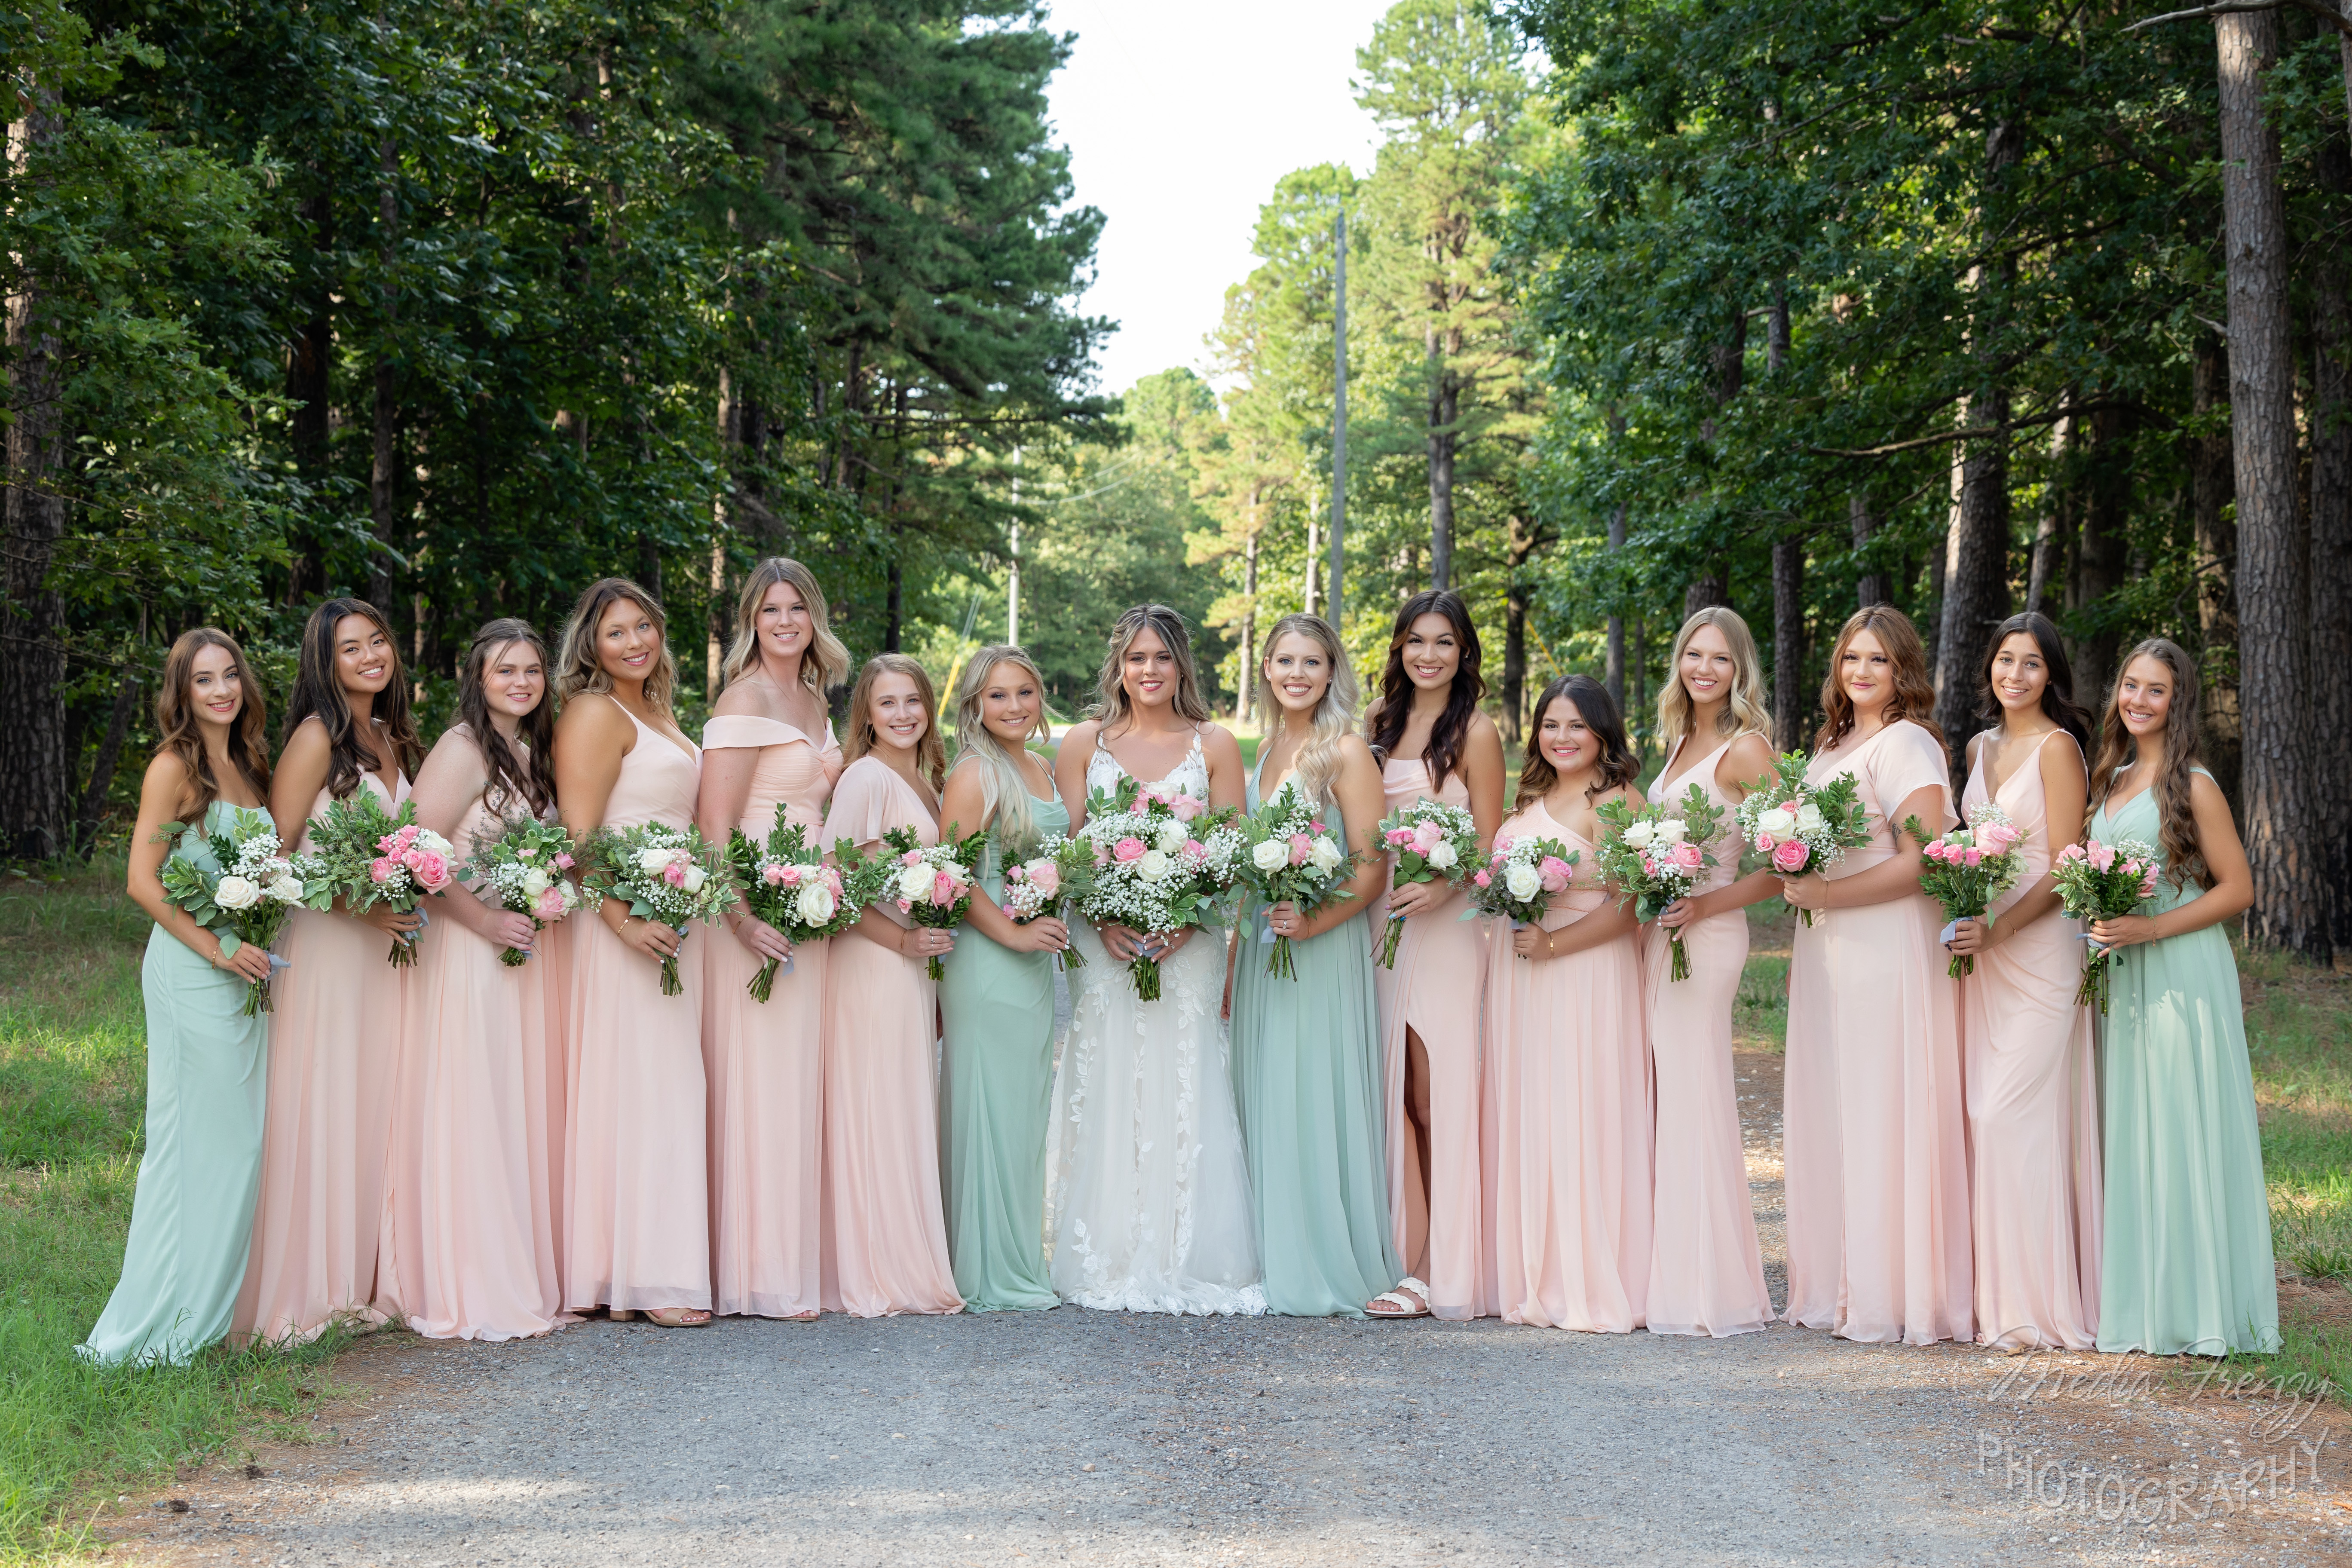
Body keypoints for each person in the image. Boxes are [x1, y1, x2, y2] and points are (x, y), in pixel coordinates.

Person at [1047, 605, 1265, 1315]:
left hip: (1191, 941)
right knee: (1110, 1073)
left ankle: (1190, 1250)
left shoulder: (1215, 745)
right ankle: (1106, 1248)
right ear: (1119, 664)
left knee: (1185, 1070)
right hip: (1103, 941)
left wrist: (1189, 923)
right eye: (1137, 657)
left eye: (1163, 658)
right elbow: (1069, 851)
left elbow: (1230, 856)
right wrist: (1105, 917)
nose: (1149, 670)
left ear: (1182, 666)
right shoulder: (1084, 743)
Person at [82, 631, 278, 1365]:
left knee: (240, 1146)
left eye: (231, 676)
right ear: (182, 692)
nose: (222, 690)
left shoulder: (251, 764)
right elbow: (143, 880)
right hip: (192, 971)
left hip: (245, 975)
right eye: (205, 680)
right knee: (191, 1147)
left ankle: (206, 1314)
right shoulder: (174, 768)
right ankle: (155, 1330)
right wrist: (219, 947)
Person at [235, 599, 425, 1344]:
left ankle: (362, 1278)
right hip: (328, 946)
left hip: (386, 957)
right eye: (352, 648)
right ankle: (305, 1291)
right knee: (325, 1105)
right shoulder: (318, 738)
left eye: (378, 641)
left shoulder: (390, 734)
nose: (372, 656)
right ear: (326, 662)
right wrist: (361, 908)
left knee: (374, 1108)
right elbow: (275, 859)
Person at [1779, 606, 1969, 1346]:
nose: (1861, 671)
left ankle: (1890, 1292)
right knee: (1836, 1107)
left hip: (1884, 944)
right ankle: (1838, 1283)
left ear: (1904, 672)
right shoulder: (1833, 743)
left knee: (1878, 1107)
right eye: (1851, 657)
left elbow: (1923, 861)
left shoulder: (1908, 743)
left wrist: (1828, 896)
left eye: (1879, 661)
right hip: (1828, 946)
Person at [378, 620, 572, 1341]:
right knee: (474, 1103)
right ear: (478, 678)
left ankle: (512, 1262)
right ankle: (467, 1276)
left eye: (531, 670)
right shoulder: (461, 748)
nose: (521, 682)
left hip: (516, 950)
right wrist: (485, 921)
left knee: (509, 1104)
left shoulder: (528, 750)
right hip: (468, 949)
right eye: (505, 671)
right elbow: (411, 854)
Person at [2085, 639, 2276, 1357]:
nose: (2137, 700)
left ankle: (2202, 1308)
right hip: (2124, 970)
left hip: (2181, 968)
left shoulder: (2194, 783)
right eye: (2130, 685)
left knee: (2182, 1122)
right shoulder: (2113, 777)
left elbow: (2239, 888)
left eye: (2155, 690)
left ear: (2178, 701)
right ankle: (2145, 1302)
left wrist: (2152, 926)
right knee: (2136, 1127)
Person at [1227, 615, 1411, 1318]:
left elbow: (1370, 868)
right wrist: (1238, 958)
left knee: (1305, 1092)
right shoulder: (1272, 748)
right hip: (1265, 946)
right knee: (1266, 1089)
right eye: (1284, 661)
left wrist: (1311, 922)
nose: (1297, 674)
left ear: (1332, 671)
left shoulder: (1345, 751)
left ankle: (1319, 1260)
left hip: (1319, 948)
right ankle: (1274, 1251)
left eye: (1312, 662)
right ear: (1266, 669)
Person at [553, 579, 712, 1327]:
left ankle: (627, 1271)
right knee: (643, 1090)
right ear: (591, 644)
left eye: (643, 626)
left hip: (670, 917)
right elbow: (580, 836)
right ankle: (645, 1280)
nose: (634, 642)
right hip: (621, 924)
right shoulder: (593, 712)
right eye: (616, 633)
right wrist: (624, 922)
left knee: (662, 1090)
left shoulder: (661, 711)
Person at [696, 559, 848, 1321]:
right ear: (751, 622)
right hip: (754, 915)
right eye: (769, 611)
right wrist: (741, 916)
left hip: (811, 911)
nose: (784, 622)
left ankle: (794, 1259)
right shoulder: (745, 698)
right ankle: (756, 1271)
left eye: (796, 608)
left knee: (798, 1082)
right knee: (759, 1083)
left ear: (814, 617)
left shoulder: (816, 699)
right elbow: (714, 824)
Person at [1947, 613, 2101, 1352]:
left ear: (2052, 675)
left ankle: (2035, 1307)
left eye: (2032, 664)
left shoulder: (2059, 748)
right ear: (1990, 669)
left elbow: (2069, 864)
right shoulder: (1977, 747)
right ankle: (1994, 1298)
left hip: (2039, 954)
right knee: (1983, 1118)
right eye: (2006, 661)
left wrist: (2004, 927)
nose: (2016, 675)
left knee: (2007, 1115)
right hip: (1985, 953)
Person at [1483, 675, 1648, 1332]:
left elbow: (1633, 906)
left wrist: (1554, 944)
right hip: (1523, 972)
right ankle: (1536, 1272)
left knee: (1582, 1110)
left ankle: (1587, 1277)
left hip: (1583, 970)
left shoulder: (1617, 801)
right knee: (1534, 1110)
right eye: (1551, 725)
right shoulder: (1532, 795)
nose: (1562, 737)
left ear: (1603, 732)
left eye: (1577, 725)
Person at [1363, 590, 1506, 1321]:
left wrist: (1444, 887)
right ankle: (1404, 1244)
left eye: (1444, 642)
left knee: (1434, 1093)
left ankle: (1439, 1265)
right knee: (1397, 1099)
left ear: (1464, 653)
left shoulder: (1476, 733)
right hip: (1383, 927)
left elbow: (1490, 846)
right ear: (1399, 648)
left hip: (1446, 930)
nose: (1428, 655)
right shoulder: (1378, 728)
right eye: (1416, 641)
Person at [1643, 608, 1778, 1338]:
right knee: (1673, 1095)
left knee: (1695, 1096)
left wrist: (1702, 905)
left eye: (1720, 660)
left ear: (1740, 671)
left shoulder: (1746, 749)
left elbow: (1786, 865)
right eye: (1693, 654)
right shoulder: (1679, 740)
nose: (1704, 669)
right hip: (1668, 935)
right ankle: (1679, 1267)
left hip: (1710, 934)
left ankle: (1706, 1290)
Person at [817, 654, 963, 1317]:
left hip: (912, 970)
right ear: (866, 716)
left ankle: (906, 1252)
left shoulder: (929, 780)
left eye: (913, 701)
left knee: (904, 1102)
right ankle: (878, 1266)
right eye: (887, 704)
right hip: (873, 964)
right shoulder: (866, 779)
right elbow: (835, 885)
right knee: (876, 1105)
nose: (903, 714)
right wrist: (903, 941)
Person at [937, 646, 1069, 1312]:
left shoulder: (1040, 766)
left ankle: (1020, 1255)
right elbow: (951, 878)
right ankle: (987, 1269)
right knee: (988, 1105)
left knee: (1022, 1111)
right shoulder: (976, 772)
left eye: (1025, 692)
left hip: (1031, 963)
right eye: (997, 696)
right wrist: (1015, 933)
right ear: (974, 707)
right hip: (988, 962)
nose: (1014, 707)